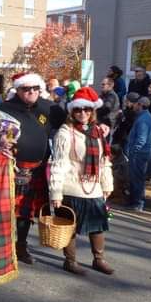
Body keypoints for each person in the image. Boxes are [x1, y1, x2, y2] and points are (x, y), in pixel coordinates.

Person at [0, 72, 63, 265]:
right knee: (5, 210)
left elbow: (71, 122)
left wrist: (99, 125)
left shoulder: (49, 107)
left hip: (38, 168)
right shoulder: (4, 108)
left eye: (35, 88)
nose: (31, 92)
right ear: (18, 89)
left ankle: (20, 246)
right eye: (26, 89)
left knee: (26, 214)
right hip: (12, 167)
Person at [49, 87, 114, 275]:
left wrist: (107, 184)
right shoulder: (65, 132)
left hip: (93, 187)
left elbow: (104, 161)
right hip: (71, 188)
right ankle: (70, 261)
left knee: (98, 226)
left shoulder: (98, 132)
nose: (82, 113)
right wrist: (56, 193)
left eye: (87, 109)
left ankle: (99, 259)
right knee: (68, 226)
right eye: (78, 109)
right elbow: (57, 164)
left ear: (92, 111)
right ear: (71, 111)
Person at [124, 96, 151, 211]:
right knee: (135, 178)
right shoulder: (144, 117)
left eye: (136, 104)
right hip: (140, 153)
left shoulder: (143, 119)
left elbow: (141, 139)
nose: (134, 105)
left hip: (139, 154)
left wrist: (133, 151)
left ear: (140, 105)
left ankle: (137, 203)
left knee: (137, 179)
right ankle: (133, 201)